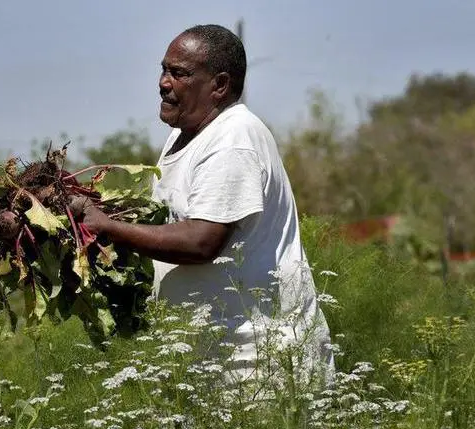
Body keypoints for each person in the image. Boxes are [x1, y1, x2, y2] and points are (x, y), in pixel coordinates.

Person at [73, 24, 333, 383]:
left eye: (179, 73)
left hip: (259, 365)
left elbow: (202, 240)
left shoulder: (233, 138)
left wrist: (108, 227)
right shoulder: (182, 137)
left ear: (220, 85)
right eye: (164, 70)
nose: (164, 82)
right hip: (209, 361)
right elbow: (167, 224)